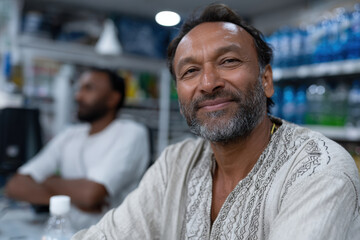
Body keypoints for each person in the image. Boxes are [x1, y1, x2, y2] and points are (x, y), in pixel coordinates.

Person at [72, 4, 360, 239]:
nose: (208, 84)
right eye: (190, 71)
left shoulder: (319, 170)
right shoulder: (176, 164)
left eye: (229, 61)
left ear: (266, 80)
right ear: (179, 93)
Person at [5, 67, 150, 231]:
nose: (78, 96)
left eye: (89, 88)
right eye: (79, 88)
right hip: (63, 233)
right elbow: (15, 186)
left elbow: (91, 195)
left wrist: (47, 182)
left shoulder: (131, 133)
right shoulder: (71, 134)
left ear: (112, 98)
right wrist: (72, 197)